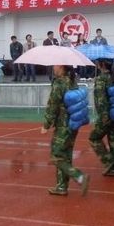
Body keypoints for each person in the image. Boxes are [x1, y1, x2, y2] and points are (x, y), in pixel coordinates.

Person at [41, 65, 90, 196]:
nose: (53, 67)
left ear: (61, 67)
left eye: (56, 65)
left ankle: (79, 176)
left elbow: (53, 105)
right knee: (66, 155)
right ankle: (62, 186)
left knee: (56, 155)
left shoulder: (59, 83)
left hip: (63, 125)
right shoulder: (72, 80)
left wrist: (46, 124)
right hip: (73, 123)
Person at [89, 59, 114, 176]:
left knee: (94, 137)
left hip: (106, 115)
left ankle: (109, 162)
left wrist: (103, 116)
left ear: (101, 64)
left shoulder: (101, 79)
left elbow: (101, 100)